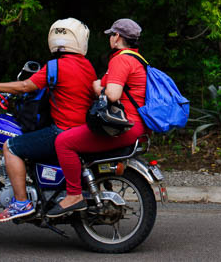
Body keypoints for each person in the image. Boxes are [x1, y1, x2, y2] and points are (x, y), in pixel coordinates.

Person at [0, 18, 97, 222]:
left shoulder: (55, 67)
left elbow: (25, 86)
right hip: (81, 130)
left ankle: (21, 202)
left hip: (61, 131)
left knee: (11, 147)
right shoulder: (87, 66)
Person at [48, 17, 148, 217]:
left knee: (63, 142)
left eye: (111, 34)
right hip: (134, 125)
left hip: (124, 126)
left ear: (117, 36)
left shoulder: (121, 59)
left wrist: (99, 87)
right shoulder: (137, 59)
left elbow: (112, 94)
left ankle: (74, 195)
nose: (110, 38)